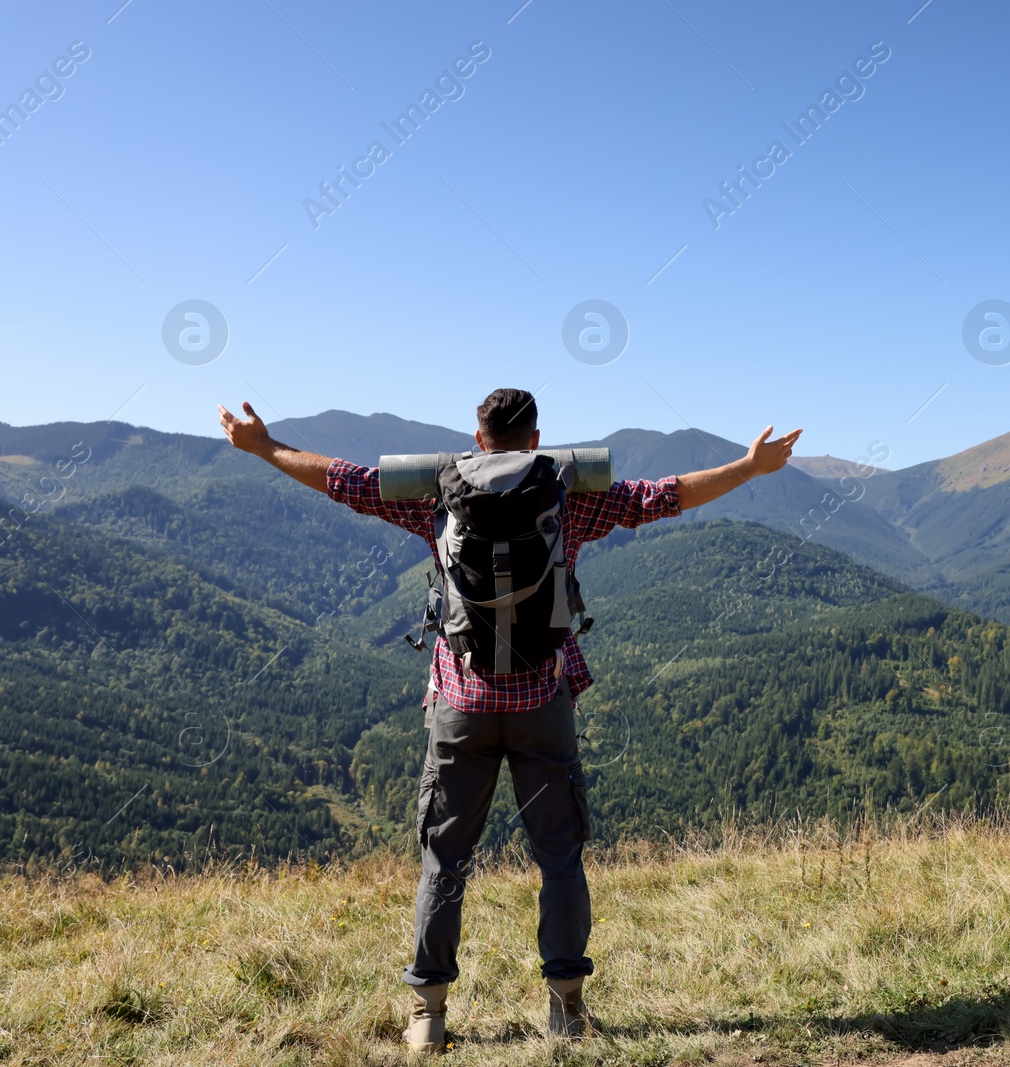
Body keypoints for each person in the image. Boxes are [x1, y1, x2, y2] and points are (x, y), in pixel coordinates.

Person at [218, 388, 800, 1052]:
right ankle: (567, 1008)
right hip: (542, 705)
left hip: (460, 706)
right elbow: (664, 496)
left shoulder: (434, 493)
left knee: (445, 861)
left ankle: (428, 1014)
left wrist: (264, 447)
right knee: (558, 857)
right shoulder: (570, 495)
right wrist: (749, 467)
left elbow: (342, 481)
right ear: (536, 438)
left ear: (478, 435)